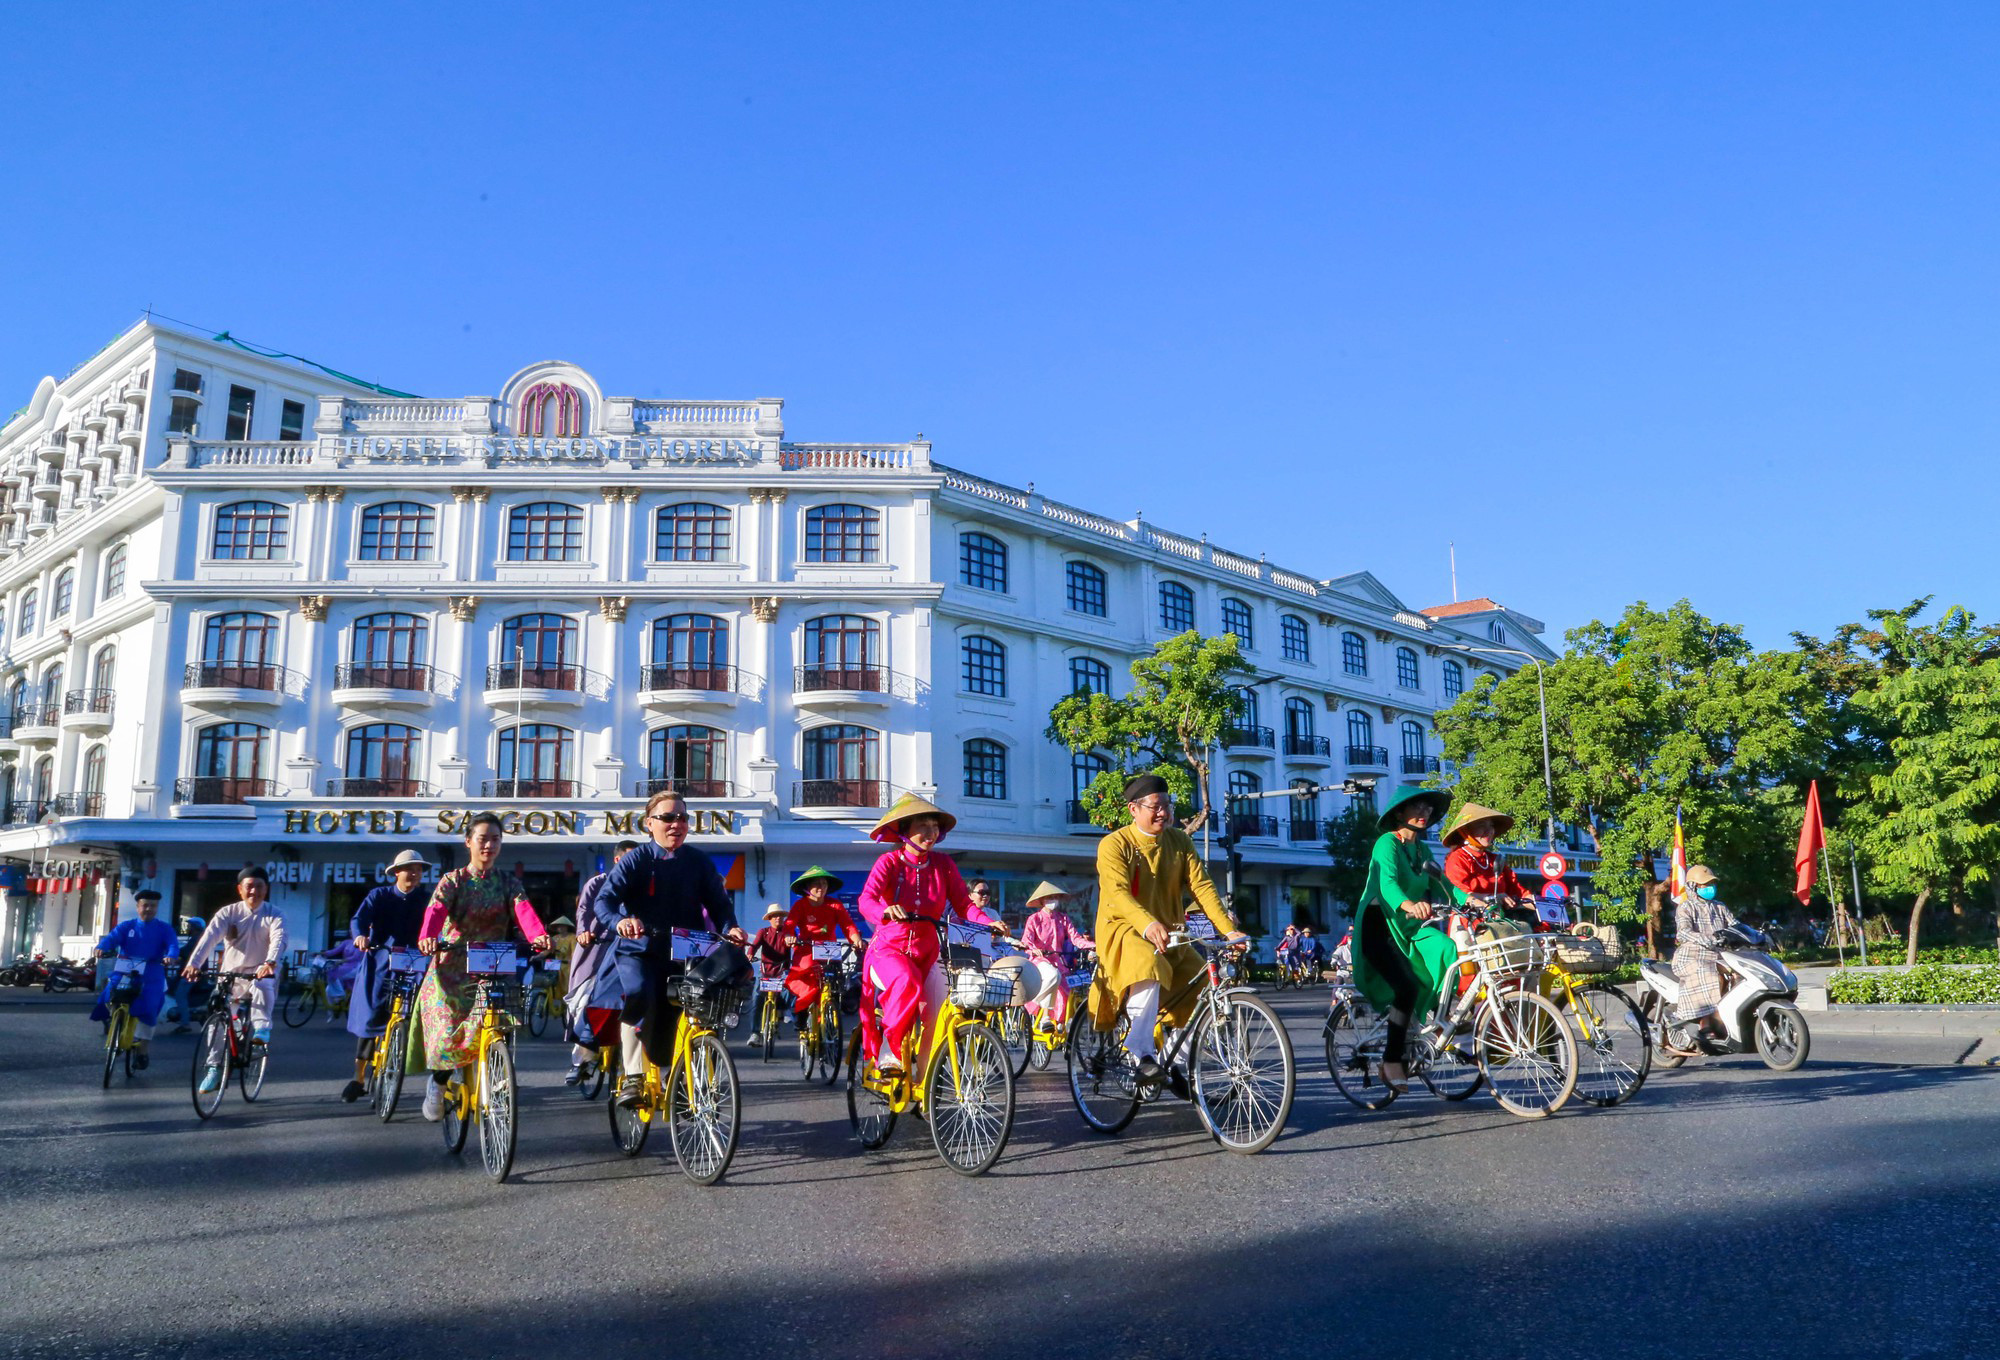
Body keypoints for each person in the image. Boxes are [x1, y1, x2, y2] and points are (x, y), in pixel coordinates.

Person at [1087, 774, 1246, 1082]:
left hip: (1172, 934)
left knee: (1205, 988)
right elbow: (1117, 893)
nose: (1164, 812)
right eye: (1155, 806)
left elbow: (1202, 886)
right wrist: (1146, 924)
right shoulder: (1114, 845)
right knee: (1147, 963)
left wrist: (1228, 930)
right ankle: (1142, 1052)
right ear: (1134, 809)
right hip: (1123, 932)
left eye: (1167, 805)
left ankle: (1173, 1059)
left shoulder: (1180, 840)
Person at [592, 790, 747, 1106]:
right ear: (649, 824)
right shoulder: (637, 859)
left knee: (704, 1008)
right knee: (639, 995)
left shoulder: (698, 861)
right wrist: (620, 922)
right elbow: (604, 901)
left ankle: (690, 1081)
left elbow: (719, 903)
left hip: (687, 952)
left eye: (682, 817)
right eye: (667, 817)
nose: (676, 823)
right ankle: (634, 1077)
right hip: (640, 950)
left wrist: (730, 926)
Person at [416, 813, 552, 1121]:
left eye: (495, 839)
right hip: (450, 970)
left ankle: (496, 1070)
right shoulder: (453, 881)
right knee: (449, 1034)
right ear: (468, 843)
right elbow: (436, 910)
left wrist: (539, 936)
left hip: (491, 966)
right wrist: (428, 937)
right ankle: (438, 1083)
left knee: (497, 1023)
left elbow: (524, 911)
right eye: (483, 838)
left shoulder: (509, 883)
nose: (489, 844)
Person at [856, 793, 1001, 1077]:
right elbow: (866, 900)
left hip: (929, 954)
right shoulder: (889, 862)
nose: (930, 832)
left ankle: (926, 1083)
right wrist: (885, 911)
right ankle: (891, 1052)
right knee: (906, 980)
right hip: (888, 952)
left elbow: (964, 904)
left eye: (934, 826)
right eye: (923, 825)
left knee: (940, 1013)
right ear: (905, 830)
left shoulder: (943, 864)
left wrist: (988, 922)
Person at [1351, 785, 1463, 1092]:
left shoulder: (1422, 850)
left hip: (1409, 926)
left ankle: (1436, 1015)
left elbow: (1445, 886)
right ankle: (1391, 1060)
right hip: (1381, 924)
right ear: (1399, 813)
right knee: (1405, 987)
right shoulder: (1387, 844)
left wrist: (1478, 903)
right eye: (1417, 807)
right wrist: (1408, 903)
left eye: (1428, 809)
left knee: (1447, 947)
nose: (1424, 813)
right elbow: (1386, 882)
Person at [181, 868, 289, 1096]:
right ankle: (213, 1067)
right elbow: (209, 938)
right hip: (231, 974)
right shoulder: (228, 913)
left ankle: (261, 1028)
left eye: (259, 886)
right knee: (216, 1018)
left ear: (266, 889)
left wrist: (270, 962)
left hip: (261, 971)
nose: (254, 891)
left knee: (262, 984)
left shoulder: (274, 914)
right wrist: (194, 964)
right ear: (240, 889)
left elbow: (279, 940)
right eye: (249, 886)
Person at [340, 849, 431, 1102]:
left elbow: (438, 923)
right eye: (409, 868)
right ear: (396, 873)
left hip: (414, 961)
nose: (414, 873)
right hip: (380, 960)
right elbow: (359, 919)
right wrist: (360, 936)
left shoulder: (426, 899)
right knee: (369, 1016)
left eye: (419, 869)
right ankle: (358, 1078)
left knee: (419, 1012)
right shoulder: (378, 895)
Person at [563, 841, 636, 1086]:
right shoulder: (597, 883)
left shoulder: (640, 885)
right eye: (630, 858)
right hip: (596, 949)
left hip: (629, 951)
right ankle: (581, 1059)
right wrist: (584, 931)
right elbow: (584, 910)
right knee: (588, 999)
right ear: (618, 861)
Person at [90, 889, 177, 1071]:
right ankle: (115, 1025)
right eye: (145, 905)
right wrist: (101, 947)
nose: (149, 909)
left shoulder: (164, 929)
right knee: (109, 994)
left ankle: (143, 1050)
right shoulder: (126, 926)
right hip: (126, 967)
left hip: (152, 970)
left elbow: (172, 945)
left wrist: (171, 956)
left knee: (150, 1005)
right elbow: (111, 939)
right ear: (138, 907)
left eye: (152, 906)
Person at [781, 866, 864, 1027]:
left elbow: (848, 926)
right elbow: (789, 925)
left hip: (829, 950)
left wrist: (856, 940)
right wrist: (788, 936)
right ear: (807, 888)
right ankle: (802, 1013)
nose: (821, 887)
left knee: (835, 982)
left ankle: (828, 1011)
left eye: (824, 884)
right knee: (807, 980)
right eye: (817, 884)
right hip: (806, 949)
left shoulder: (835, 905)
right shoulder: (800, 905)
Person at [1670, 864, 1743, 1047]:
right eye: (1705, 885)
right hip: (1692, 955)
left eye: (1711, 884)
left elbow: (1735, 925)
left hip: (1721, 954)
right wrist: (1708, 939)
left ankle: (1726, 1018)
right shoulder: (1685, 908)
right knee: (1712, 975)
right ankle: (1705, 1022)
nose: (1710, 888)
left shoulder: (1720, 907)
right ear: (1693, 887)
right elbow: (1683, 932)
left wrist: (1752, 935)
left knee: (1740, 975)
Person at [1440, 804, 1541, 928]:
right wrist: (1493, 898)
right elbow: (1461, 895)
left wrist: (1544, 903)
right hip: (1470, 925)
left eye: (1491, 826)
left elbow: (1520, 892)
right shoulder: (1457, 858)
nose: (1489, 831)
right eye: (1481, 826)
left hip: (1502, 924)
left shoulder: (1495, 859)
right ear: (1466, 831)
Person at [1018, 881, 1094, 1030]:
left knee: (1069, 989)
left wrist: (1094, 945)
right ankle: (1044, 1016)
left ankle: (1062, 1025)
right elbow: (1026, 942)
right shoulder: (1034, 919)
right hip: (1040, 960)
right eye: (1049, 897)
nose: (1053, 900)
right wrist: (1034, 950)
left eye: (1055, 897)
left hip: (1059, 962)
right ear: (1041, 901)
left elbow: (1076, 939)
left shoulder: (1063, 919)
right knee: (1053, 976)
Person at [166, 912, 204, 1033]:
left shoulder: (197, 940)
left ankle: (185, 1023)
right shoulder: (196, 939)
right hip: (190, 971)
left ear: (196, 928)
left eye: (191, 926)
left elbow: (185, 952)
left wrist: (173, 956)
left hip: (192, 974)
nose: (189, 928)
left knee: (180, 995)